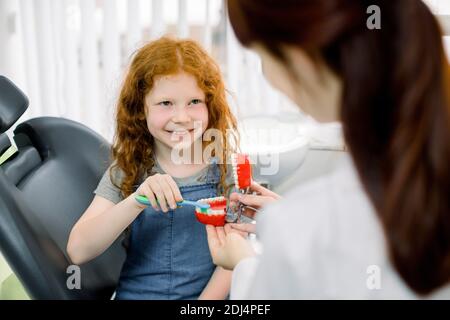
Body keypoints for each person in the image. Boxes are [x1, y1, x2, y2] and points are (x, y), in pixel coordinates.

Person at [206, 0, 450, 299]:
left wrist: (245, 265)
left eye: (262, 57)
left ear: (300, 59)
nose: (268, 77)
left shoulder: (303, 231)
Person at [67, 37, 239, 300]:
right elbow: (78, 250)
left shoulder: (225, 170)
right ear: (140, 109)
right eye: (166, 103)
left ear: (210, 105)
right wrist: (136, 201)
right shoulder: (128, 169)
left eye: (194, 102)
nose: (181, 117)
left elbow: (231, 259)